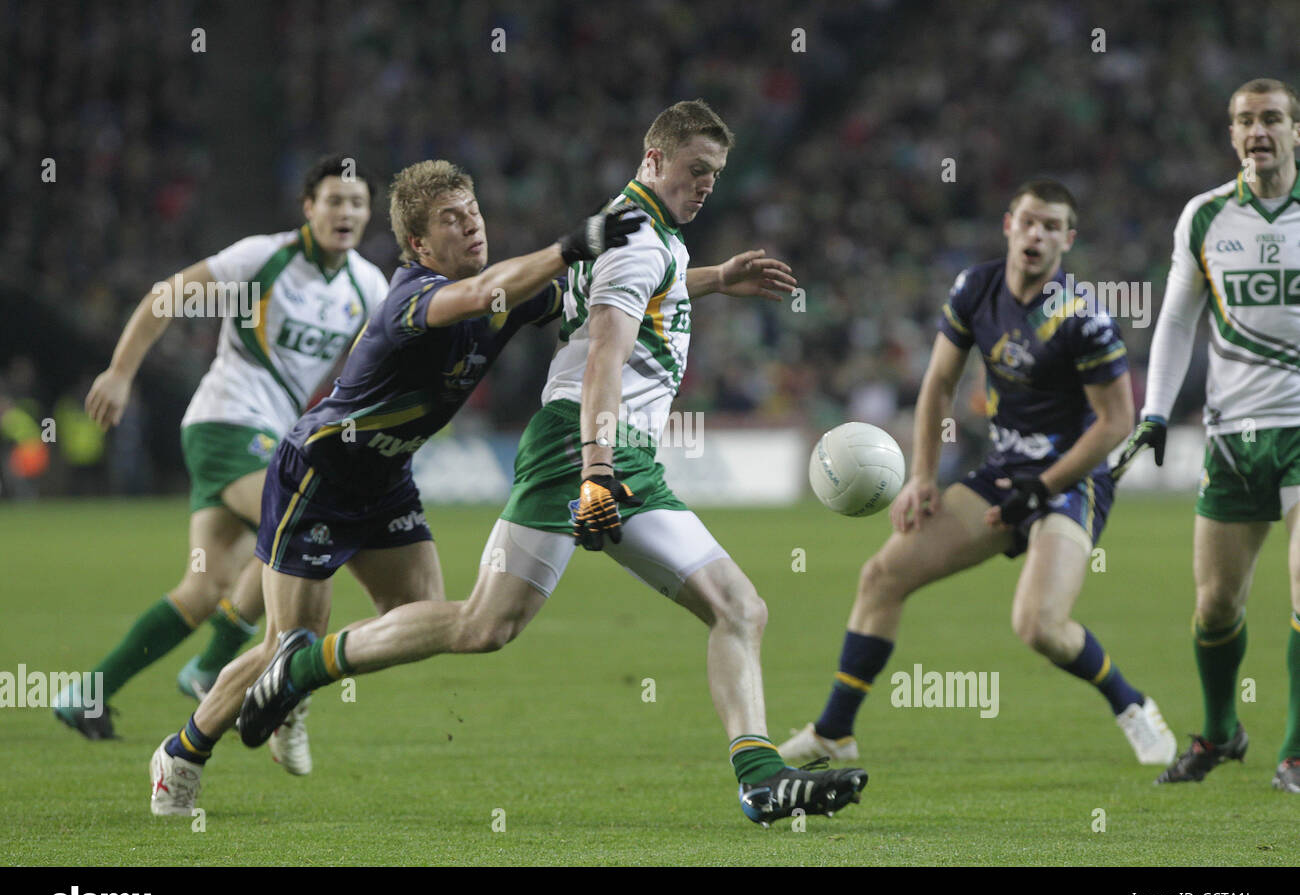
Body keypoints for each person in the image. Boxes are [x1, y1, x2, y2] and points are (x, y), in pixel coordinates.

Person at [229, 99, 867, 828]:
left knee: (737, 608)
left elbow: (628, 300)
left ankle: (759, 780)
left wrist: (717, 277)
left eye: (715, 175)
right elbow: (604, 352)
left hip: (624, 456)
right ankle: (300, 667)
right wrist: (597, 467)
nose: (707, 185)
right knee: (484, 625)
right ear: (654, 161)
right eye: (696, 170)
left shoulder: (653, 237)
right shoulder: (633, 238)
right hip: (583, 445)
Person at [146, 157, 646, 814]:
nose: (471, 226)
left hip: (386, 481)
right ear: (418, 244)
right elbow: (474, 296)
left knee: (420, 613)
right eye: (450, 220)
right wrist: (568, 245)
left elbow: (609, 294)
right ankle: (181, 753)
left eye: (473, 213)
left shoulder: (505, 292)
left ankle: (296, 683)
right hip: (319, 475)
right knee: (280, 643)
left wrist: (713, 279)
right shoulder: (411, 299)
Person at [779, 179, 1178, 769]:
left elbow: (1116, 422)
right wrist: (921, 477)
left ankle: (1131, 703)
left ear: (1068, 239)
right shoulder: (976, 288)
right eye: (1028, 221)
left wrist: (1041, 489)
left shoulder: (1084, 317)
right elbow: (938, 383)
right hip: (1003, 470)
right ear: (1008, 226)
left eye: (1051, 226)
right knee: (882, 576)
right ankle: (833, 733)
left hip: (1071, 482)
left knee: (1039, 626)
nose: (1036, 234)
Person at [57, 155, 388, 772]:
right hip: (225, 425)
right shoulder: (263, 259)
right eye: (334, 201)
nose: (346, 213)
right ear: (308, 208)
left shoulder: (367, 285)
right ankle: (217, 670)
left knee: (205, 586)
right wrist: (120, 374)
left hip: (273, 436)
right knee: (308, 522)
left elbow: (379, 364)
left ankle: (88, 692)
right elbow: (168, 295)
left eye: (357, 203)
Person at [1119, 78, 1300, 793]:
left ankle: (1295, 752)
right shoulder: (1204, 217)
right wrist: (1155, 412)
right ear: (1233, 135)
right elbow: (1175, 321)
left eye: (1274, 118)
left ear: (1296, 130)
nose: (1260, 130)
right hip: (1232, 435)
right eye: (1246, 120)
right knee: (1216, 605)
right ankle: (1222, 733)